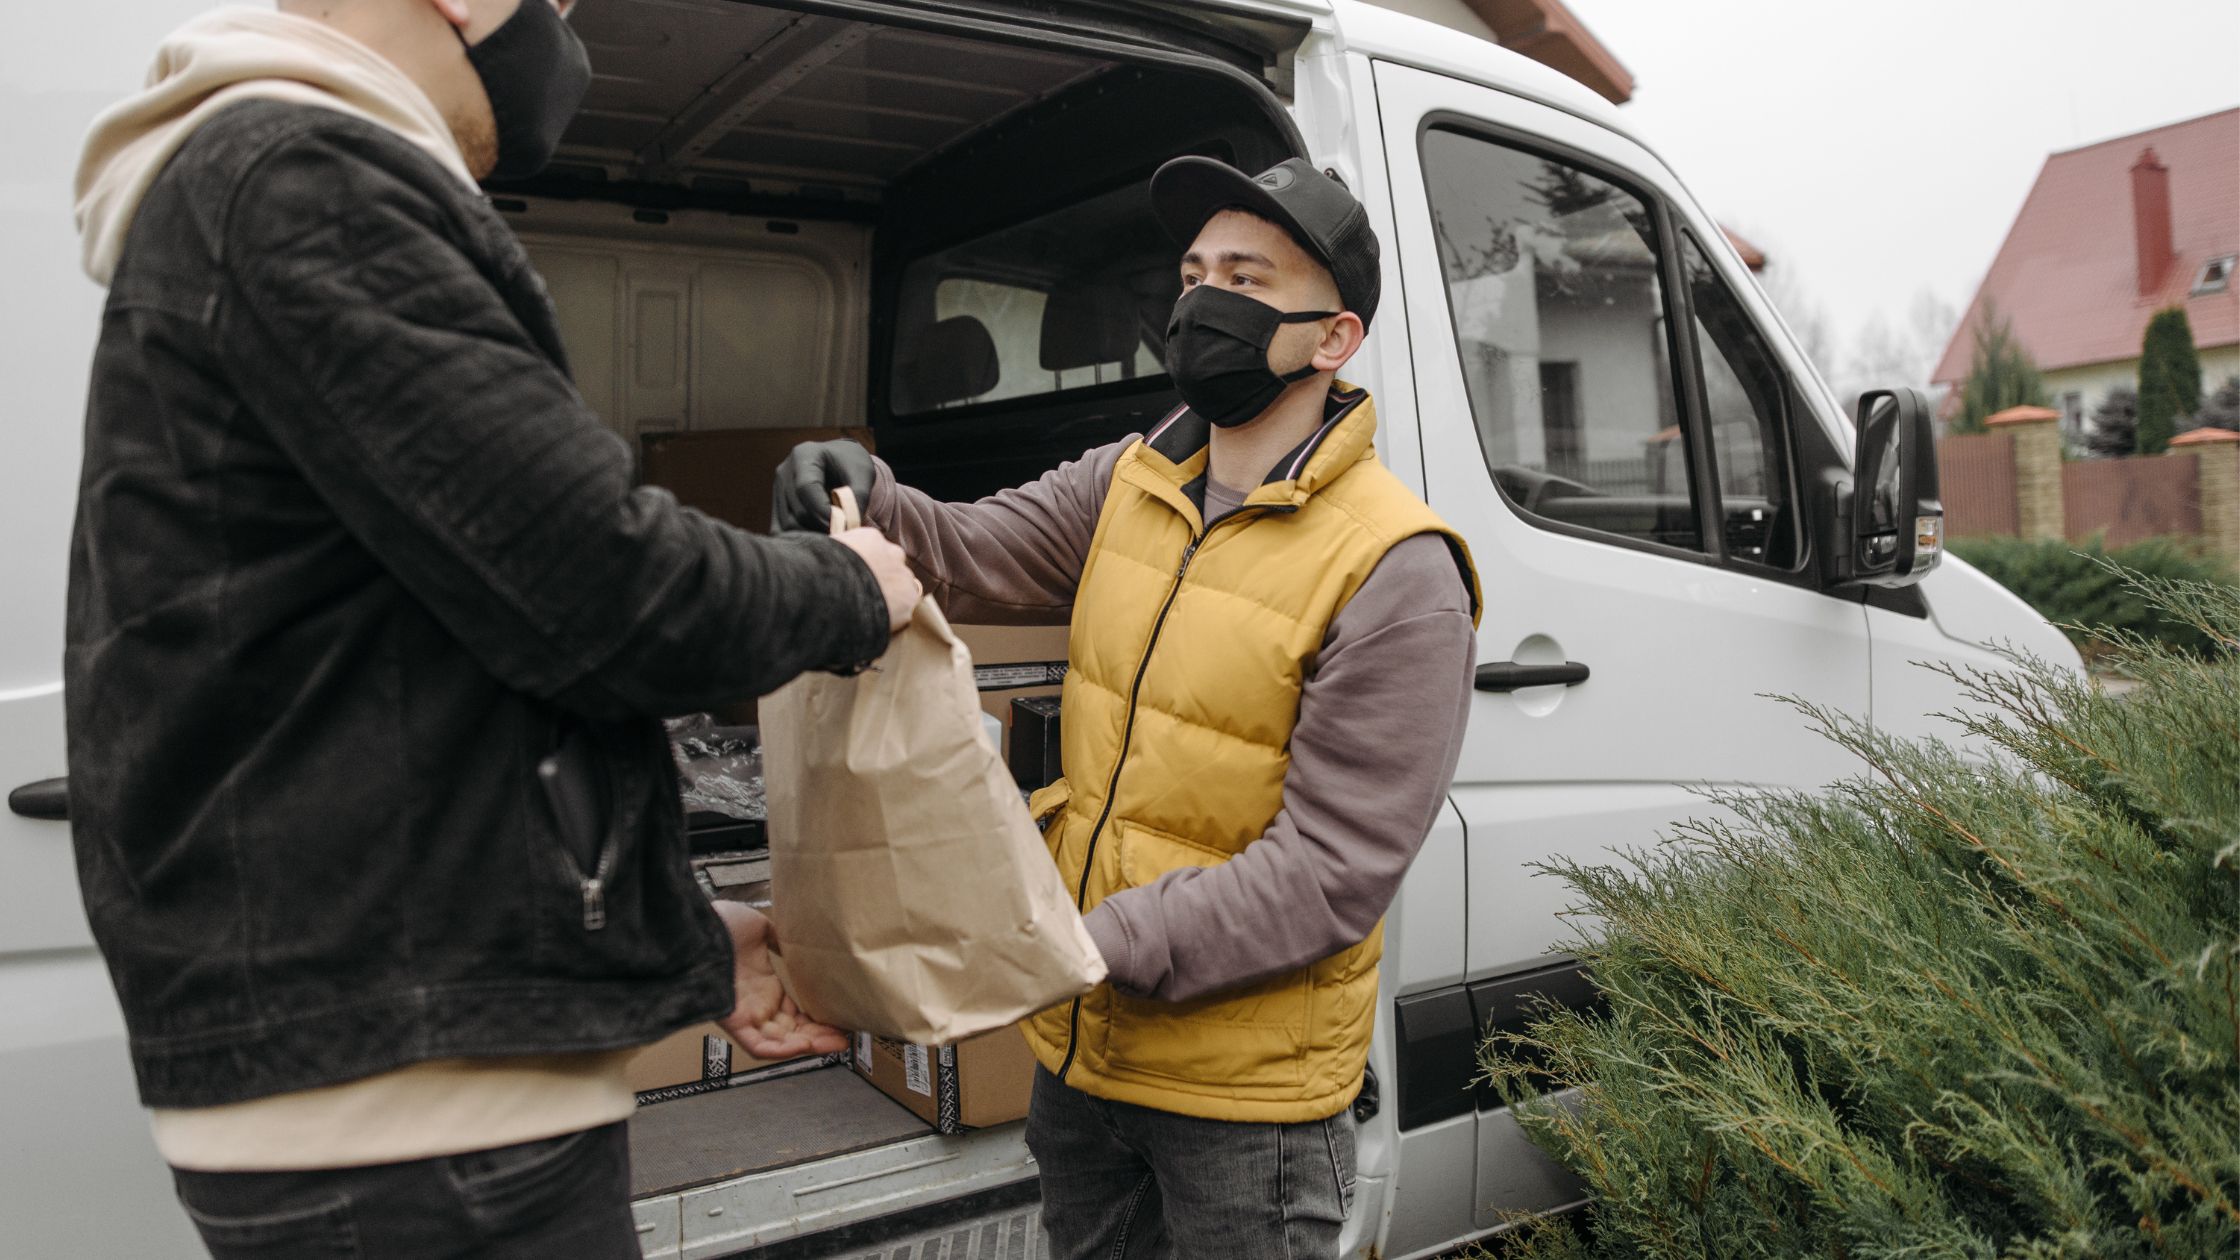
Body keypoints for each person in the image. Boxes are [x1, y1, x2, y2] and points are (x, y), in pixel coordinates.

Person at [68, 1, 920, 1255]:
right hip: (418, 1126)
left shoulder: (269, 187)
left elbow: (430, 699)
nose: (560, 38)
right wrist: (852, 586)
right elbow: (610, 596)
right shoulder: (310, 180)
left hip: (410, 1092)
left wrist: (692, 943)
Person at [774, 156, 1482, 1258]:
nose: (1200, 301)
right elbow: (974, 548)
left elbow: (1329, 871)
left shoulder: (1394, 571)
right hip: (1083, 1058)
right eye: (1193, 272)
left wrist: (1084, 941)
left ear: (1332, 338)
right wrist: (869, 496)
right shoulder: (1133, 478)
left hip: (1244, 1103)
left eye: (1243, 277)